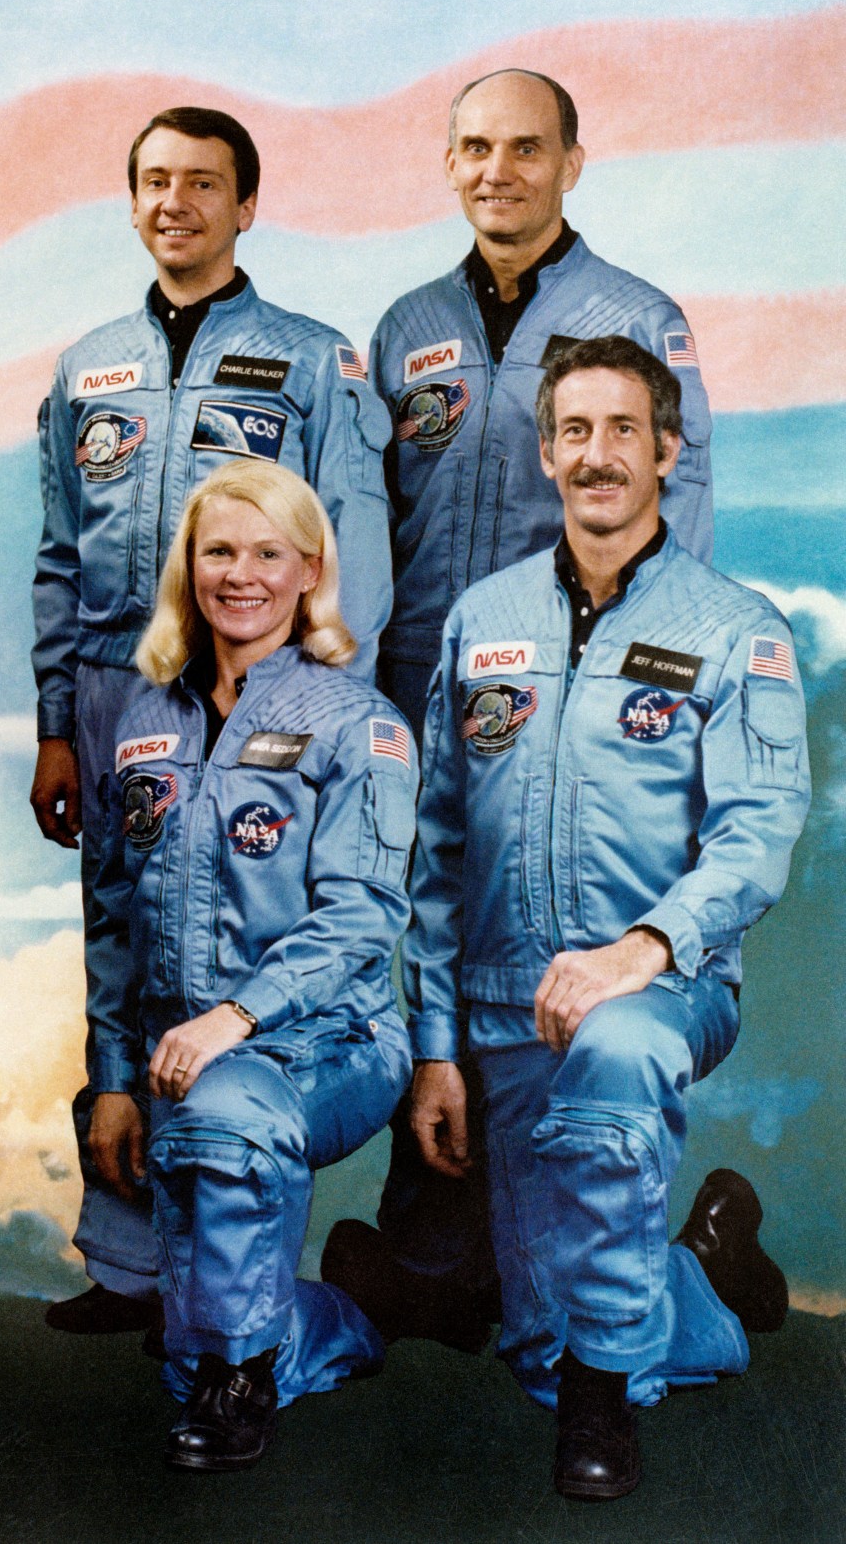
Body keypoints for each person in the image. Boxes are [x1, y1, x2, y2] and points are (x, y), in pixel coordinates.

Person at [329, 67, 720, 1356]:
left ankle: (648, 1264)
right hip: (419, 703)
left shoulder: (633, 320)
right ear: (446, 165)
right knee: (425, 964)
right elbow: (363, 530)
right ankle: (441, 1242)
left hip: (576, 710)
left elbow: (682, 542)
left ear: (570, 161)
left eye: (524, 148)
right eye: (474, 149)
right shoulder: (405, 330)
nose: (497, 170)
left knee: (556, 988)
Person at [402, 337, 805, 1499]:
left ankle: (599, 1412)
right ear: (544, 452)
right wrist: (435, 1048)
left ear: (666, 450)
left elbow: (754, 832)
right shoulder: (482, 622)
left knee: (619, 1053)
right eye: (572, 431)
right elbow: (435, 851)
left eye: (622, 430)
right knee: (541, 1337)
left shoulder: (735, 629)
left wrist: (640, 953)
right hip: (503, 1006)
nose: (596, 455)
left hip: (665, 988)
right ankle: (704, 1276)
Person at [31, 107, 394, 1340]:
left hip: (267, 695)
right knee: (122, 936)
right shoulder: (86, 367)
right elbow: (52, 555)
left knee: (247, 934)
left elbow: (353, 542)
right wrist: (52, 725)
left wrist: (334, 700)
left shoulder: (308, 358)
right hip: (115, 698)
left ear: (246, 205)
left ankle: (227, 1241)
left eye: (201, 183)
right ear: (128, 200)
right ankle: (127, 1261)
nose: (173, 202)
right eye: (151, 181)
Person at [88, 459, 413, 1469]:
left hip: (328, 1043)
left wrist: (238, 1016)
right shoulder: (143, 722)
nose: (240, 575)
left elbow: (362, 913)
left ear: (308, 570)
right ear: (186, 567)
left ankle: (242, 1373)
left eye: (266, 553)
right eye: (216, 550)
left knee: (225, 1126)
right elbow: (110, 920)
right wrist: (110, 1081)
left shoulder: (354, 723)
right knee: (179, 1357)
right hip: (178, 1053)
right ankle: (317, 1324)